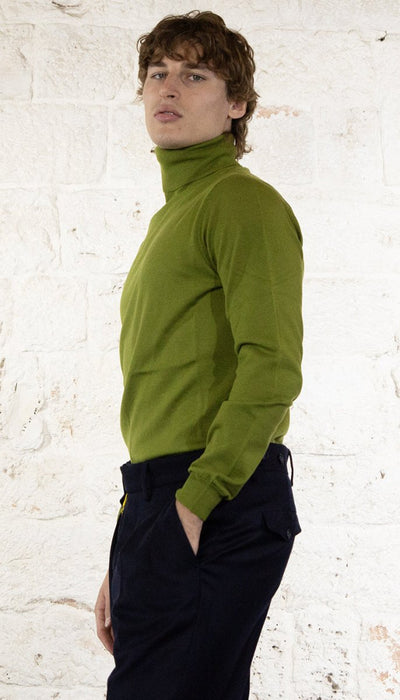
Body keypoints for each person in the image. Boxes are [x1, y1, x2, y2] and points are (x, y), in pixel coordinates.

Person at [95, 10, 303, 700]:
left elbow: (272, 366)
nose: (168, 87)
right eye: (158, 73)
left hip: (217, 493)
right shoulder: (174, 215)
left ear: (236, 104)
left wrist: (191, 507)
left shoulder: (241, 203)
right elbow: (162, 399)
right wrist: (130, 540)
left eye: (195, 75)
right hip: (161, 495)